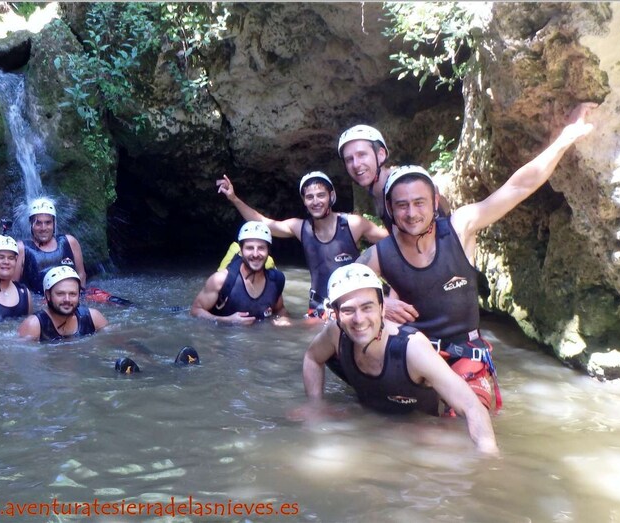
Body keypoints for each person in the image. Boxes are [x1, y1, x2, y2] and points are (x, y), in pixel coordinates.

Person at [357, 103, 596, 409]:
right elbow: (340, 288)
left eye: (419, 202)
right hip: (414, 354)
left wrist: (566, 138)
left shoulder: (460, 227)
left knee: (468, 421)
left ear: (434, 202)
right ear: (390, 210)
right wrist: (379, 302)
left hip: (462, 352)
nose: (412, 213)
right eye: (402, 205)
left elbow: (520, 185)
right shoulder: (382, 253)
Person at [302, 264, 499, 455]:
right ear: (336, 314)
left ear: (382, 308)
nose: (359, 319)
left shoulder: (412, 348)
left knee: (418, 435)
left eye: (367, 307)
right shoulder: (335, 334)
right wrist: (315, 405)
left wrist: (489, 458)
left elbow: (471, 406)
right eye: (348, 310)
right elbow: (312, 357)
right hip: (375, 426)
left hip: (422, 429)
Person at [217, 171, 386, 317]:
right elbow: (263, 222)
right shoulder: (300, 228)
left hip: (353, 302)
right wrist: (233, 198)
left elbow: (392, 242)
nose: (315, 201)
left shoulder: (353, 224)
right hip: (319, 306)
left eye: (321, 195)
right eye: (309, 197)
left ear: (331, 196)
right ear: (304, 201)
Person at [191, 221, 289, 325]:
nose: (255, 254)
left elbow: (280, 310)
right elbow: (195, 311)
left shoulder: (276, 281)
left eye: (261, 248)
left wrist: (284, 319)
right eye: (249, 248)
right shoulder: (220, 280)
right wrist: (227, 320)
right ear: (241, 250)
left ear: (268, 250)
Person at [14, 197, 87, 294]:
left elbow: (81, 274)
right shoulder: (21, 248)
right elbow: (13, 285)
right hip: (39, 302)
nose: (43, 228)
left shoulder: (70, 242)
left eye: (48, 222)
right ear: (31, 224)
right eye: (38, 223)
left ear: (54, 223)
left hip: (69, 301)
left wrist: (77, 298)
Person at [17, 265, 109, 342]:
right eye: (60, 294)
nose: (67, 299)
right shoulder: (34, 326)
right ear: (48, 295)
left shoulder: (93, 318)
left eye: (72, 294)